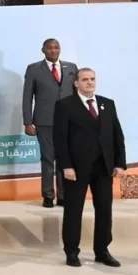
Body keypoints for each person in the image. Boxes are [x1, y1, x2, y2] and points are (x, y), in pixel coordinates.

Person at [53, 68, 125, 268]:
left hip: (104, 167)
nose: (90, 82)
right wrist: (66, 166)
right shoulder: (64, 105)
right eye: (85, 80)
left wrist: (119, 163)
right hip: (76, 169)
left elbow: (117, 135)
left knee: (104, 210)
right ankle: (71, 252)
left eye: (92, 79)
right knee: (73, 210)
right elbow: (60, 139)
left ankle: (102, 251)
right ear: (76, 83)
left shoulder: (107, 104)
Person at [22, 38, 78, 208]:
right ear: (43, 50)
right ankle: (48, 195)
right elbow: (27, 97)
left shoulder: (72, 67)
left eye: (56, 47)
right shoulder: (34, 69)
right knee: (47, 158)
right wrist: (27, 122)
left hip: (68, 121)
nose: (53, 50)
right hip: (44, 121)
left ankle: (63, 196)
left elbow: (77, 96)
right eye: (49, 48)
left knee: (64, 159)